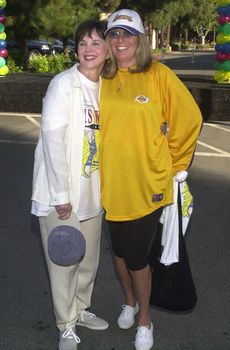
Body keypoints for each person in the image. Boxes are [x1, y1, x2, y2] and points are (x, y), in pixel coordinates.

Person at [99, 9, 202, 350]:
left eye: (128, 34)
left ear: (140, 39)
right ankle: (129, 301)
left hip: (149, 183)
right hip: (112, 183)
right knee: (118, 252)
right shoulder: (102, 76)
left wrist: (176, 160)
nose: (121, 40)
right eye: (114, 34)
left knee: (138, 256)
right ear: (108, 41)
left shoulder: (158, 74)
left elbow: (189, 117)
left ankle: (145, 319)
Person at [31, 19, 109, 350]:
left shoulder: (108, 89)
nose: (88, 49)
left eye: (95, 42)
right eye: (82, 43)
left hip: (94, 192)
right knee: (64, 260)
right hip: (61, 193)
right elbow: (51, 138)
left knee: (88, 260)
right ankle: (65, 323)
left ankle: (80, 309)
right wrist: (61, 195)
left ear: (107, 51)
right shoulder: (64, 84)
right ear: (75, 49)